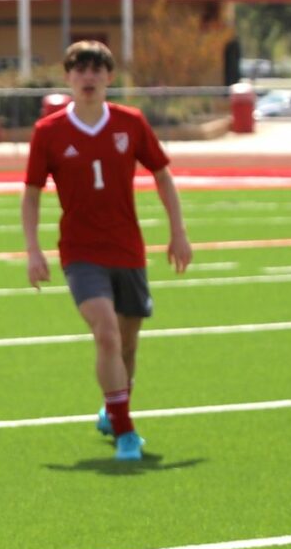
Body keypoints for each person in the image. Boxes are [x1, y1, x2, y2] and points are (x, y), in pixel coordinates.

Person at [21, 41, 192, 462]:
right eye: (80, 70)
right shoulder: (49, 132)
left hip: (127, 249)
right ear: (68, 77)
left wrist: (179, 232)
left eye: (97, 70)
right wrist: (33, 250)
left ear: (110, 77)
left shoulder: (130, 123)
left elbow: (162, 175)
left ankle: (112, 409)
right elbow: (31, 193)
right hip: (80, 252)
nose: (89, 77)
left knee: (128, 344)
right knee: (106, 332)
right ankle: (126, 430)